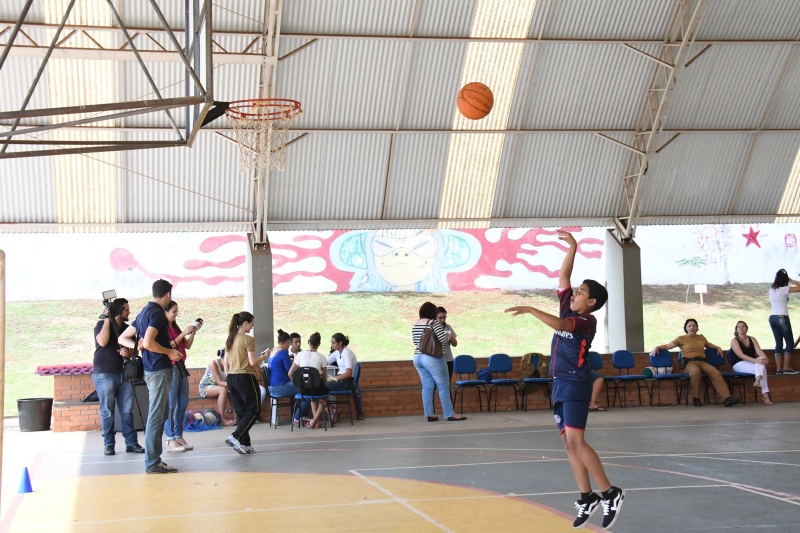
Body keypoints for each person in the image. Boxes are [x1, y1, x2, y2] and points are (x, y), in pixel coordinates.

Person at [505, 230, 623, 530]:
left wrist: (531, 308)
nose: (575, 293)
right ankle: (587, 497)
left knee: (577, 440)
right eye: (577, 290)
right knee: (568, 445)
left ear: (592, 301)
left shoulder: (586, 320)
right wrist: (573, 247)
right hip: (558, 382)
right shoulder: (568, 305)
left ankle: (610, 492)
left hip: (575, 382)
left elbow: (559, 325)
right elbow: (564, 277)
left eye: (582, 292)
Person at [120, 279, 183, 474]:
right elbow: (148, 342)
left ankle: (154, 459)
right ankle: (152, 462)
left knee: (161, 413)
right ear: (168, 295)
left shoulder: (143, 313)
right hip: (158, 370)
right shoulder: (156, 313)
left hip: (151, 370)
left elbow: (123, 337)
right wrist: (169, 352)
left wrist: (136, 345)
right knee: (157, 415)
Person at [92, 297, 144, 456]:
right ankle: (109, 444)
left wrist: (129, 352)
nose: (129, 312)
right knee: (107, 410)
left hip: (125, 373)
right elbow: (102, 341)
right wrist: (107, 320)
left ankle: (131, 443)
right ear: (118, 312)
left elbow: (136, 349)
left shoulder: (128, 329)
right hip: (105, 373)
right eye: (126, 310)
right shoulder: (101, 325)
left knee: (127, 410)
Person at [650, 318, 741, 408]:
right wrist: (657, 347)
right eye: (689, 326)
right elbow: (667, 346)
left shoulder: (701, 337)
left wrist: (717, 347)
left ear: (697, 327)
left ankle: (727, 399)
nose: (692, 327)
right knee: (695, 372)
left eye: (694, 326)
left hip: (702, 362)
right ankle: (696, 398)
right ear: (686, 328)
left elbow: (707, 344)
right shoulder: (681, 338)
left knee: (716, 373)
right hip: (689, 362)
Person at [412, 302, 466, 423]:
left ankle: (429, 415)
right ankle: (449, 414)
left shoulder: (416, 324)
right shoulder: (433, 323)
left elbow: (415, 341)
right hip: (432, 357)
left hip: (418, 357)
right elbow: (442, 340)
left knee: (427, 387)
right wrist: (447, 335)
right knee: (443, 386)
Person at [224, 312, 269, 454]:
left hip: (231, 378)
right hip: (245, 378)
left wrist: (229, 376)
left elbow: (225, 362)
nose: (252, 326)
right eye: (251, 324)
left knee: (242, 412)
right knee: (254, 411)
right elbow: (252, 361)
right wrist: (266, 355)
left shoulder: (230, 339)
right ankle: (235, 436)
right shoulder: (248, 339)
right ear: (245, 323)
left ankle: (246, 444)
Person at [163, 301, 200, 453]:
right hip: (171, 366)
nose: (176, 314)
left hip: (181, 366)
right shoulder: (162, 328)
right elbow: (170, 345)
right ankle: (170, 437)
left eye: (177, 311)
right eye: (174, 312)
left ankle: (179, 434)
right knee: (170, 404)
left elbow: (187, 345)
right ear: (165, 312)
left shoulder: (175, 327)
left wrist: (192, 333)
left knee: (183, 402)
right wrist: (183, 333)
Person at [289, 332, 329, 428]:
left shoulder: (299, 355)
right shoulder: (322, 358)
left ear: (308, 342)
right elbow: (324, 378)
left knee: (312, 397)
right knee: (324, 399)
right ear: (319, 344)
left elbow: (290, 373)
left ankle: (317, 422)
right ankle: (314, 421)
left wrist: (298, 384)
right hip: (316, 387)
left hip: (303, 389)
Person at [731, 321, 773, 405]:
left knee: (761, 361)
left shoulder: (752, 339)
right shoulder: (734, 340)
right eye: (739, 326)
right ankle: (765, 396)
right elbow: (740, 355)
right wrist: (757, 361)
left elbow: (759, 351)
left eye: (743, 326)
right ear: (736, 329)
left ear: (746, 328)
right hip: (739, 364)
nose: (741, 328)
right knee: (762, 368)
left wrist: (765, 359)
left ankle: (757, 381)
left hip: (752, 363)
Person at [326, 333, 365, 421]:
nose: (331, 345)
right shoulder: (337, 353)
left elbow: (348, 373)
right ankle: (333, 409)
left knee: (321, 389)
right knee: (321, 388)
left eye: (333, 343)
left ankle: (333, 410)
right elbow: (325, 362)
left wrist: (334, 378)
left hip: (347, 381)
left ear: (340, 343)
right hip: (341, 379)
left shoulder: (347, 353)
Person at [769, 269, 800, 374]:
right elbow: (799, 287)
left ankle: (779, 369)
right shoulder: (784, 289)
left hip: (772, 317)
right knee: (790, 342)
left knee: (778, 343)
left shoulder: (771, 289)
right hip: (782, 317)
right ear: (785, 280)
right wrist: (791, 280)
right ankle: (786, 368)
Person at [198, 349, 236, 425]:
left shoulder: (231, 365)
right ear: (223, 357)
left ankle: (237, 418)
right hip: (206, 387)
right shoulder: (214, 363)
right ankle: (222, 419)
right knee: (223, 390)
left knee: (235, 390)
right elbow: (219, 382)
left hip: (221, 386)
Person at [436, 306, 458, 381]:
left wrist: (450, 336)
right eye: (440, 317)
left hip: (448, 359)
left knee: (447, 382)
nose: (442, 320)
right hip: (436, 359)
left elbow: (455, 344)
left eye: (444, 318)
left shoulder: (448, 327)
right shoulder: (431, 327)